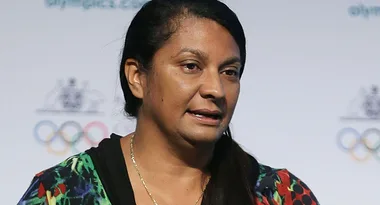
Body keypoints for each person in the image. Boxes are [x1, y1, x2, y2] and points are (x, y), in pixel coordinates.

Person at [18, 0, 320, 204]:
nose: (215, 88)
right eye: (191, 66)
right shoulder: (61, 192)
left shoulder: (279, 194)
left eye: (230, 72)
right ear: (137, 77)